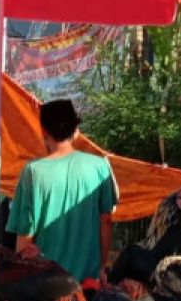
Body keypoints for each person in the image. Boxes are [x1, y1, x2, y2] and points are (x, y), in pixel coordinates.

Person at [7, 99, 117, 281]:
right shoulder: (100, 167)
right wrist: (102, 265)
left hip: (45, 282)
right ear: (76, 131)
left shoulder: (33, 171)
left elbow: (25, 231)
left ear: (43, 131)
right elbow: (106, 221)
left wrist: (22, 276)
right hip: (86, 282)